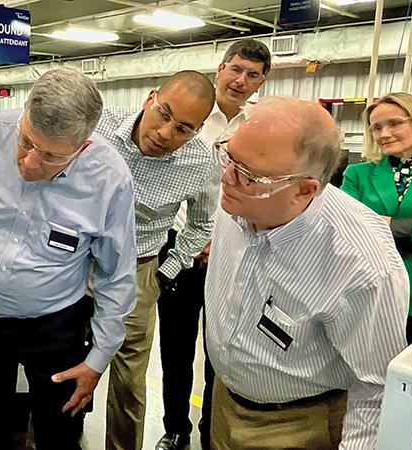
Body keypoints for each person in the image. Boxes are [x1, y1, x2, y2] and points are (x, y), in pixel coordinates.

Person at [0, 66, 137, 450]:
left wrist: (98, 358)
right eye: (26, 141)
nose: (29, 162)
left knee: (59, 433)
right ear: (23, 112)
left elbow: (116, 275)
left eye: (52, 156)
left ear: (82, 147)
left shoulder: (109, 179)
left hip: (55, 326)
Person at [205, 96, 408, 450]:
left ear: (304, 190)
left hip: (298, 426)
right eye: (229, 156)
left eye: (248, 174)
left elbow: (375, 389)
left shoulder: (360, 265)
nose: (227, 177)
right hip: (224, 403)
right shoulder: (239, 199)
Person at [155, 38, 271, 450]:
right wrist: (196, 240)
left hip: (236, 253)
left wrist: (220, 240)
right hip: (180, 250)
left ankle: (210, 431)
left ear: (261, 81)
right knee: (176, 349)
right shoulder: (190, 117)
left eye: (252, 74)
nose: (241, 80)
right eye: (235, 69)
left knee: (222, 349)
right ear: (220, 69)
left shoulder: (260, 127)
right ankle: (175, 429)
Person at [94, 71, 217, 450]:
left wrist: (165, 274)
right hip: (71, 264)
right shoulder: (98, 127)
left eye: (183, 128)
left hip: (139, 271)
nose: (166, 133)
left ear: (196, 131)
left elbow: (202, 224)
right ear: (150, 98)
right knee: (58, 364)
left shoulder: (201, 163)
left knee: (129, 381)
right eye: (163, 114)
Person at [342, 92, 412, 345]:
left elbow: (367, 226)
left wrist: (392, 226)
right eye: (376, 127)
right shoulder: (357, 174)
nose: (384, 134)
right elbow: (346, 227)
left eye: (395, 123)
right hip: (370, 291)